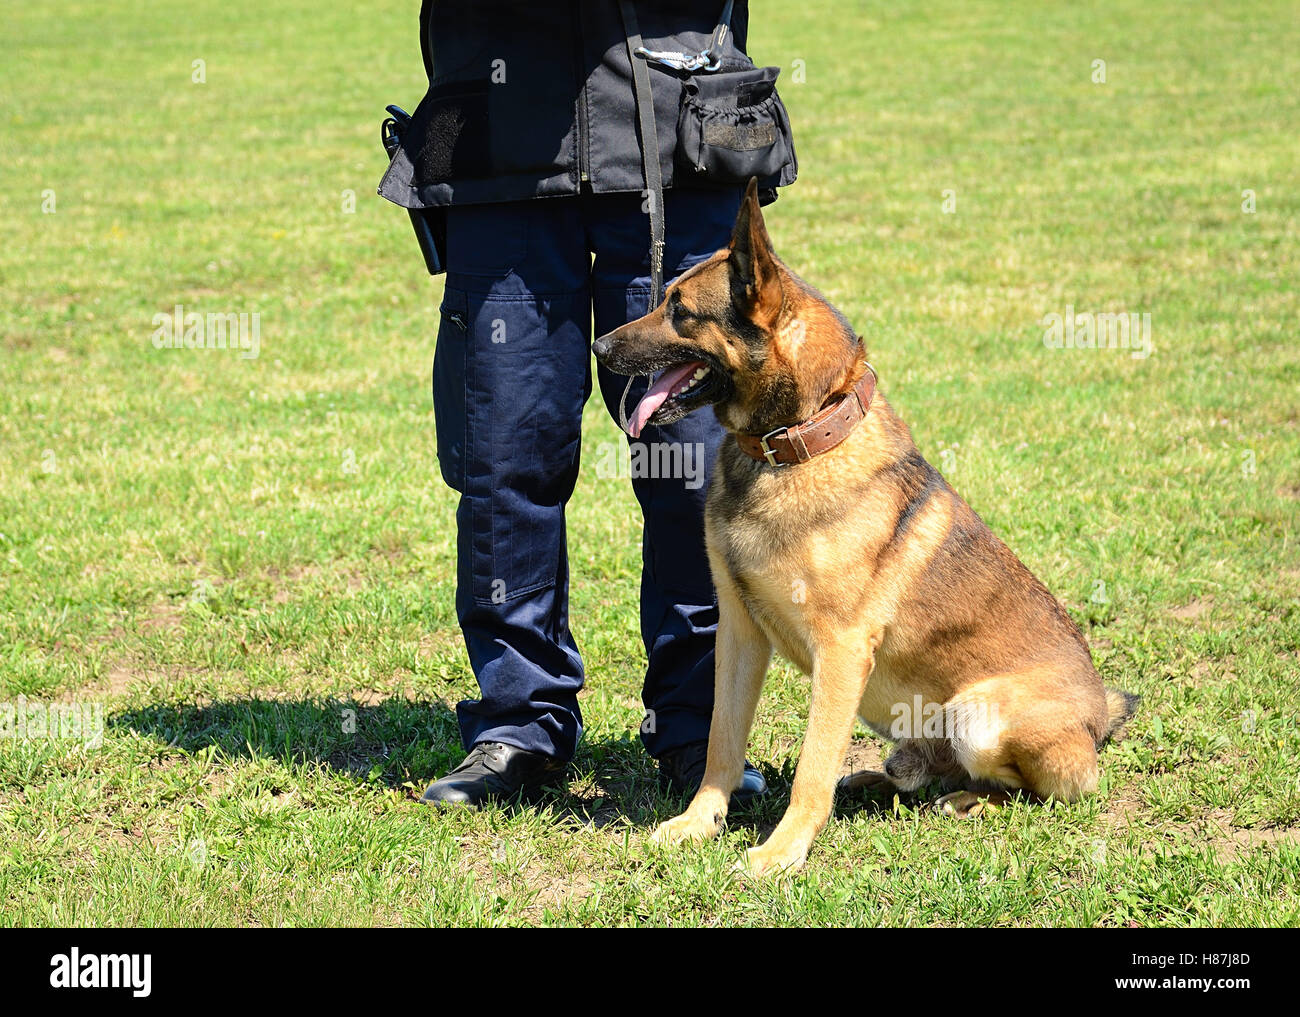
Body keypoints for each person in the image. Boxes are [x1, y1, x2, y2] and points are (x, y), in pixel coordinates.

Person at [377, 0, 797, 806]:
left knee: (695, 471)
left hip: (678, 134)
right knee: (506, 453)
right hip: (499, 145)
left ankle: (701, 729)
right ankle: (517, 724)